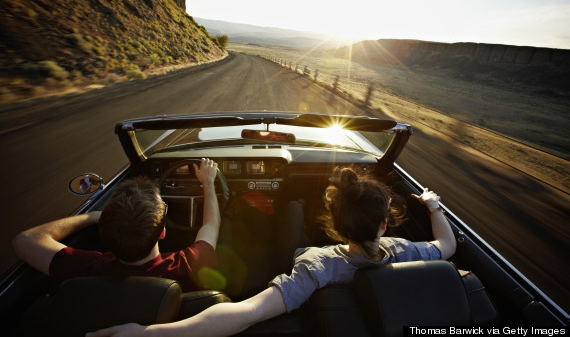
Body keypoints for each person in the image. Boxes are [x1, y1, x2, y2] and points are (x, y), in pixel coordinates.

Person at [87, 167, 457, 337]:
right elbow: (447, 246)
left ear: (335, 224)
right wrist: (434, 207)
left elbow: (245, 311)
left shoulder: (317, 264)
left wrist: (149, 334)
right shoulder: (407, 251)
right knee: (291, 208)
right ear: (384, 224)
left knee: (292, 209)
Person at [12, 158, 221, 292]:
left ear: (104, 232)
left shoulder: (86, 269)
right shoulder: (188, 265)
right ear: (163, 232)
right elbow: (211, 224)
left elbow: (25, 240)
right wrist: (208, 183)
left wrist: (92, 217)